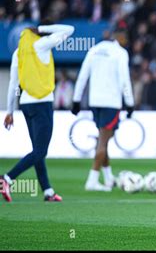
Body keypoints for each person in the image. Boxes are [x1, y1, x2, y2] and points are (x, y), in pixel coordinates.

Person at [1, 22, 75, 202]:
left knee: (37, 150)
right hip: (42, 103)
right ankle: (7, 178)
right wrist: (43, 29)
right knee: (41, 151)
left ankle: (48, 191)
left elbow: (13, 84)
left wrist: (10, 111)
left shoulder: (18, 53)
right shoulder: (41, 44)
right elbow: (69, 30)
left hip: (25, 104)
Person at [71, 35, 134, 191]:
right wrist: (130, 102)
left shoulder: (94, 50)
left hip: (95, 102)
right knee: (103, 141)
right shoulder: (120, 53)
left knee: (103, 138)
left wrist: (76, 99)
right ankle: (92, 180)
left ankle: (108, 177)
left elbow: (83, 75)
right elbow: (125, 79)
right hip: (111, 102)